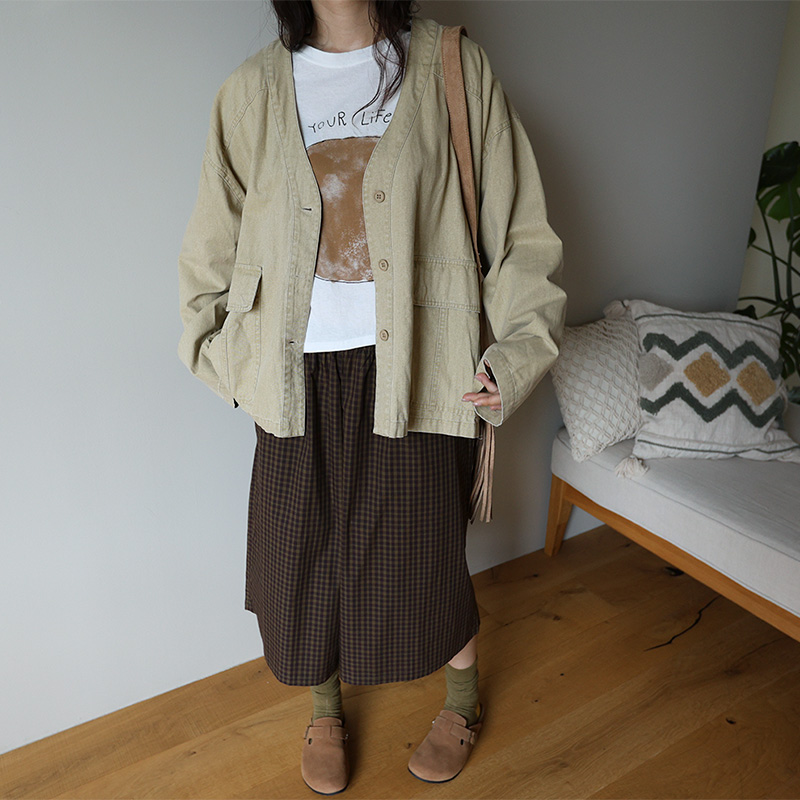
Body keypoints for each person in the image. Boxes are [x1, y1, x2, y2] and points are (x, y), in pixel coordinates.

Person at [177, 0, 566, 793]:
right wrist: (223, 359)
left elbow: (520, 229)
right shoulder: (250, 92)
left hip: (419, 364)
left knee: (426, 554)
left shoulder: (452, 66)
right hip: (294, 376)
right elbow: (211, 244)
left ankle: (461, 701)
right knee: (302, 556)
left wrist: (517, 352)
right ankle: (325, 709)